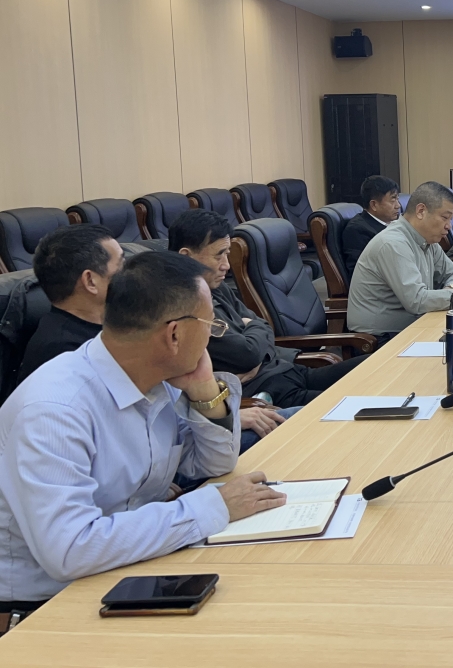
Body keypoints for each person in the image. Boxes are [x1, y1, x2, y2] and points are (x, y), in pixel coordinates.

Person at [0, 251, 287, 621]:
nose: (212, 336)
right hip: (48, 605)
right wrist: (215, 505)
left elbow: (213, 463)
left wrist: (205, 391)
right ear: (174, 334)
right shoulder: (55, 409)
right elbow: (69, 550)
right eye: (211, 325)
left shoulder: (155, 377)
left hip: (127, 565)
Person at [170, 210, 370, 421]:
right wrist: (253, 336)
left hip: (289, 369)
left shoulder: (215, 286)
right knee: (362, 408)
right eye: (218, 255)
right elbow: (247, 355)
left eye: (227, 254)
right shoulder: (183, 307)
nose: (226, 265)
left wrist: (255, 340)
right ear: (186, 256)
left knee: (375, 369)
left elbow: (263, 325)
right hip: (272, 393)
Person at [348, 181, 453, 335]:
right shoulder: (393, 243)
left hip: (417, 324)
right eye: (445, 218)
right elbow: (417, 301)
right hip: (382, 337)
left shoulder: (428, 240)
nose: (449, 226)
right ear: (421, 211)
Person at [19, 225, 124, 382]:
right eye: (121, 264)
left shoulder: (115, 320)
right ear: (90, 281)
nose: (130, 272)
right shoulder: (63, 354)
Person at [342, 175, 401, 278]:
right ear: (374, 205)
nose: (398, 205)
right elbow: (360, 273)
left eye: (397, 199)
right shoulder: (358, 230)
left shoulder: (396, 222)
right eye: (393, 200)